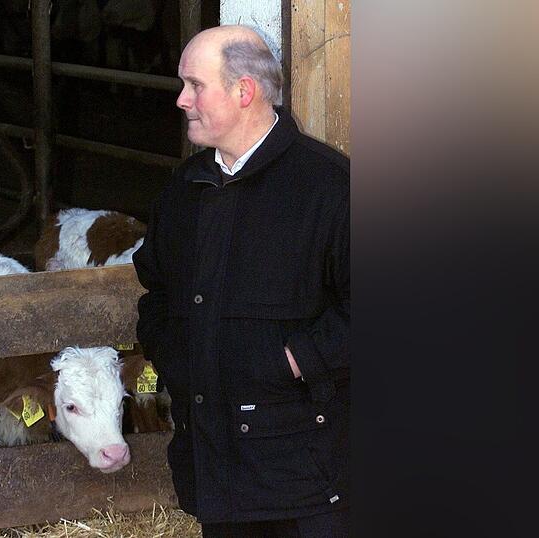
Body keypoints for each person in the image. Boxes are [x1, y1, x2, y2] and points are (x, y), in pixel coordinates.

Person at [132, 25, 350, 538]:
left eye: (194, 84)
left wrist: (294, 361)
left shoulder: (330, 187)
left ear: (243, 91)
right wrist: (177, 357)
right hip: (215, 468)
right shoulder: (184, 190)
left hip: (307, 474)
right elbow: (156, 294)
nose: (182, 100)